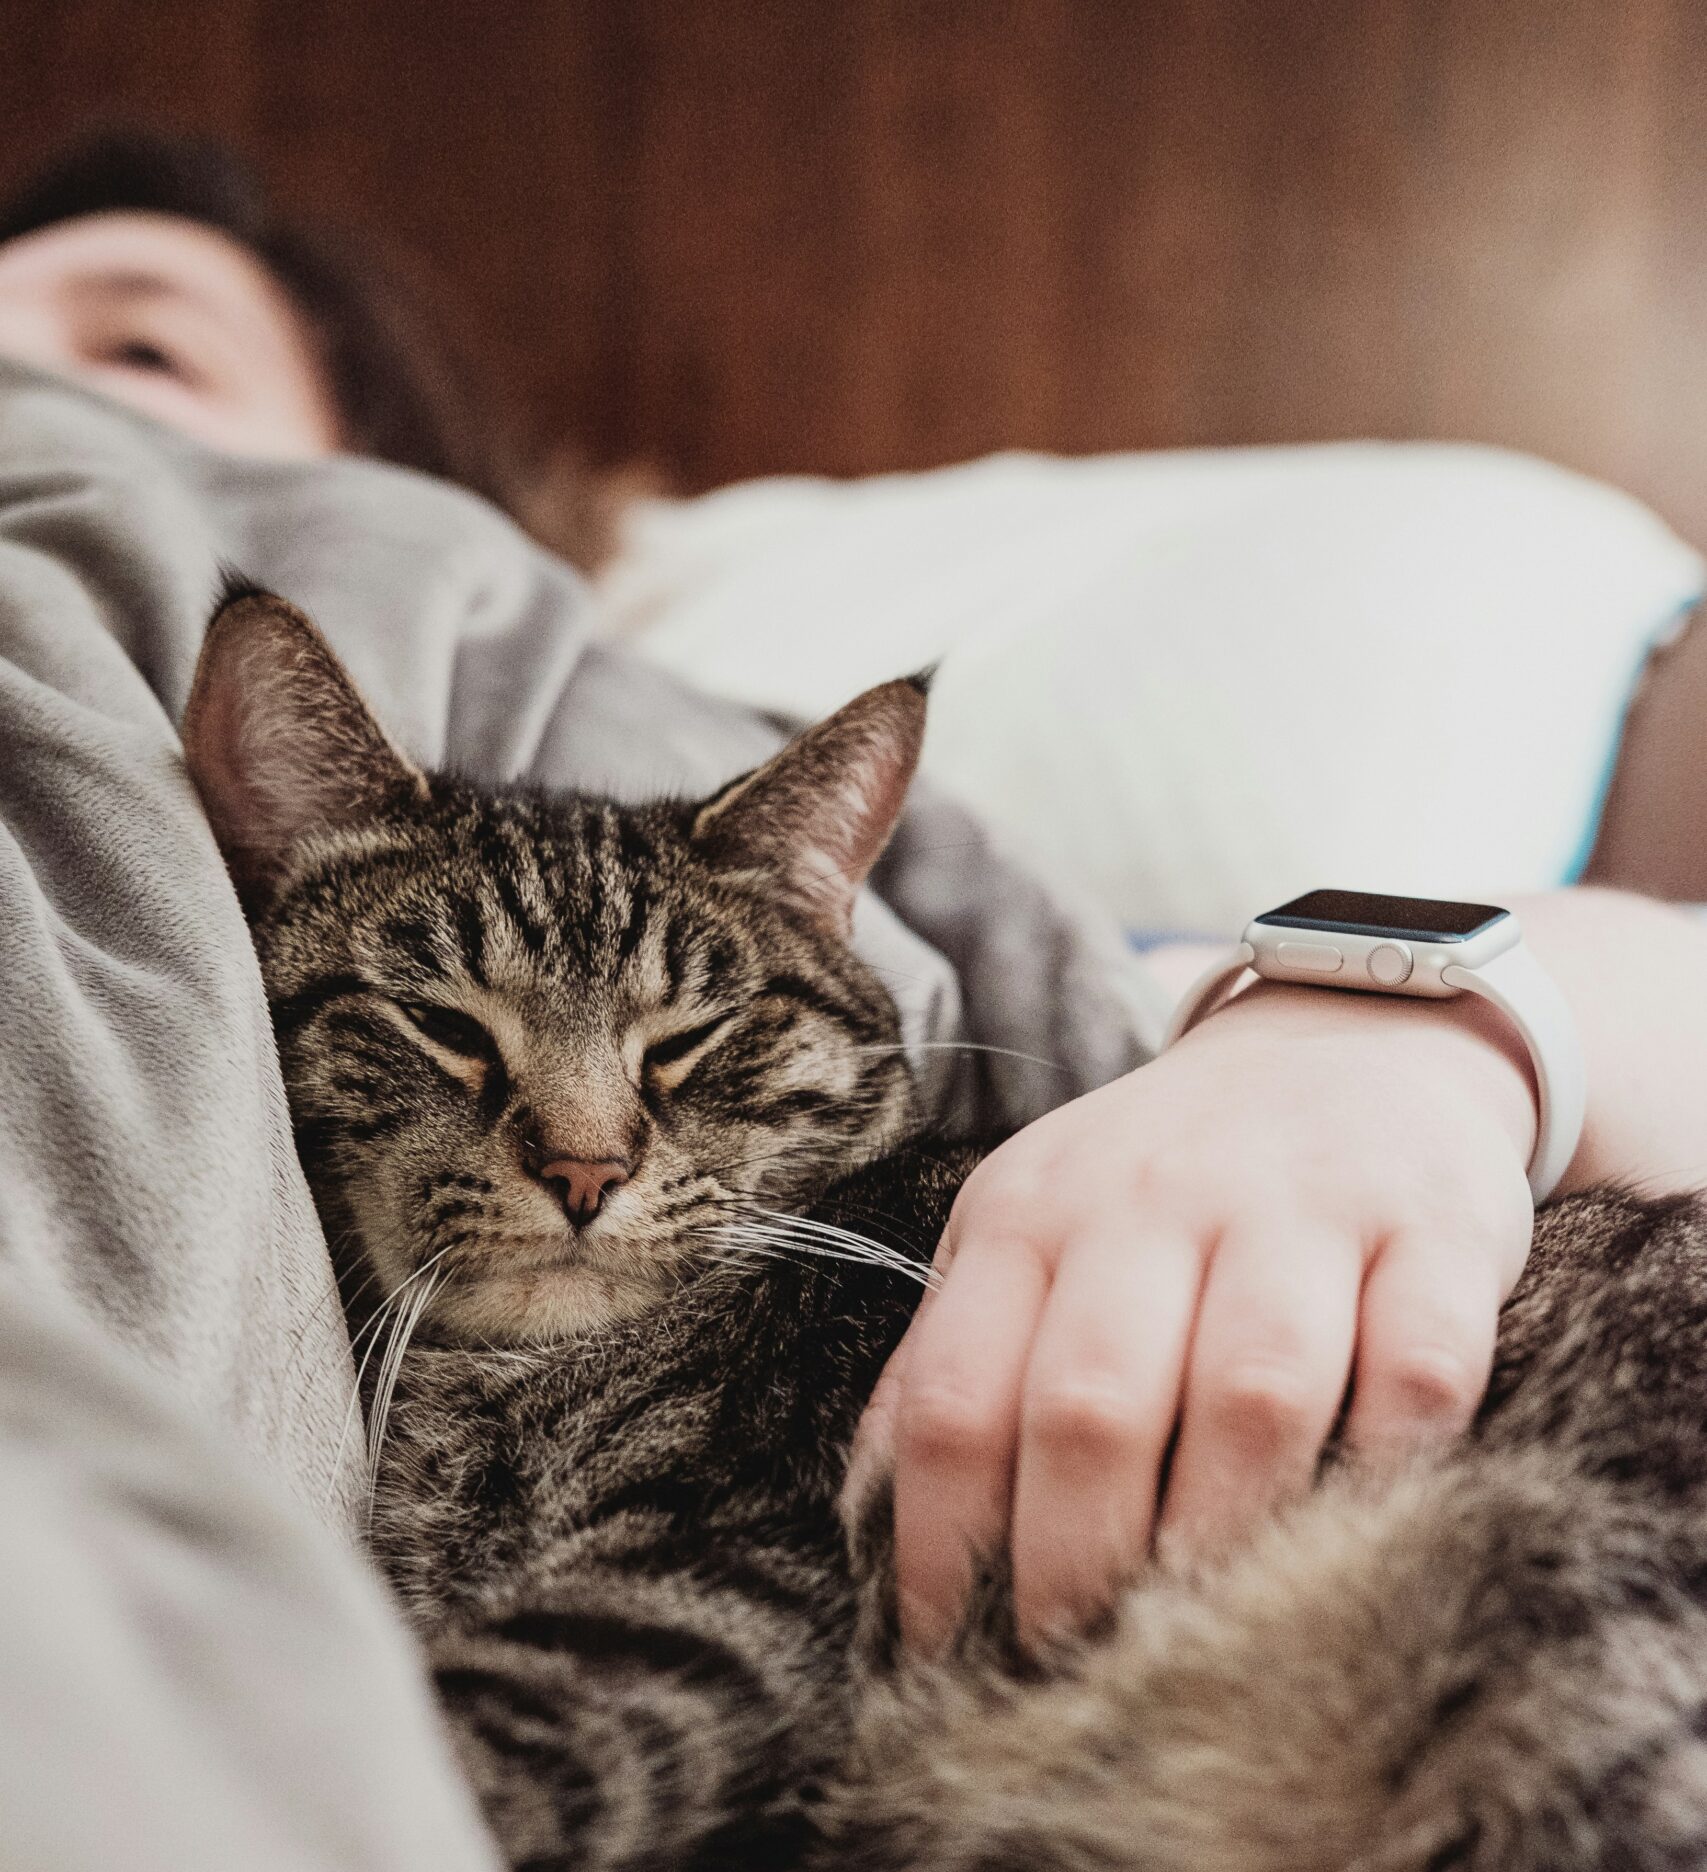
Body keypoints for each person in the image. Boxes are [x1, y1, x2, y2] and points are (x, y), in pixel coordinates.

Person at [3, 128, 1705, 1655]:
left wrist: (1361, 1049)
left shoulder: (671, 746)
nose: (586, 1158)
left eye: (134, 345)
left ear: (396, 474)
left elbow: (1659, 985)